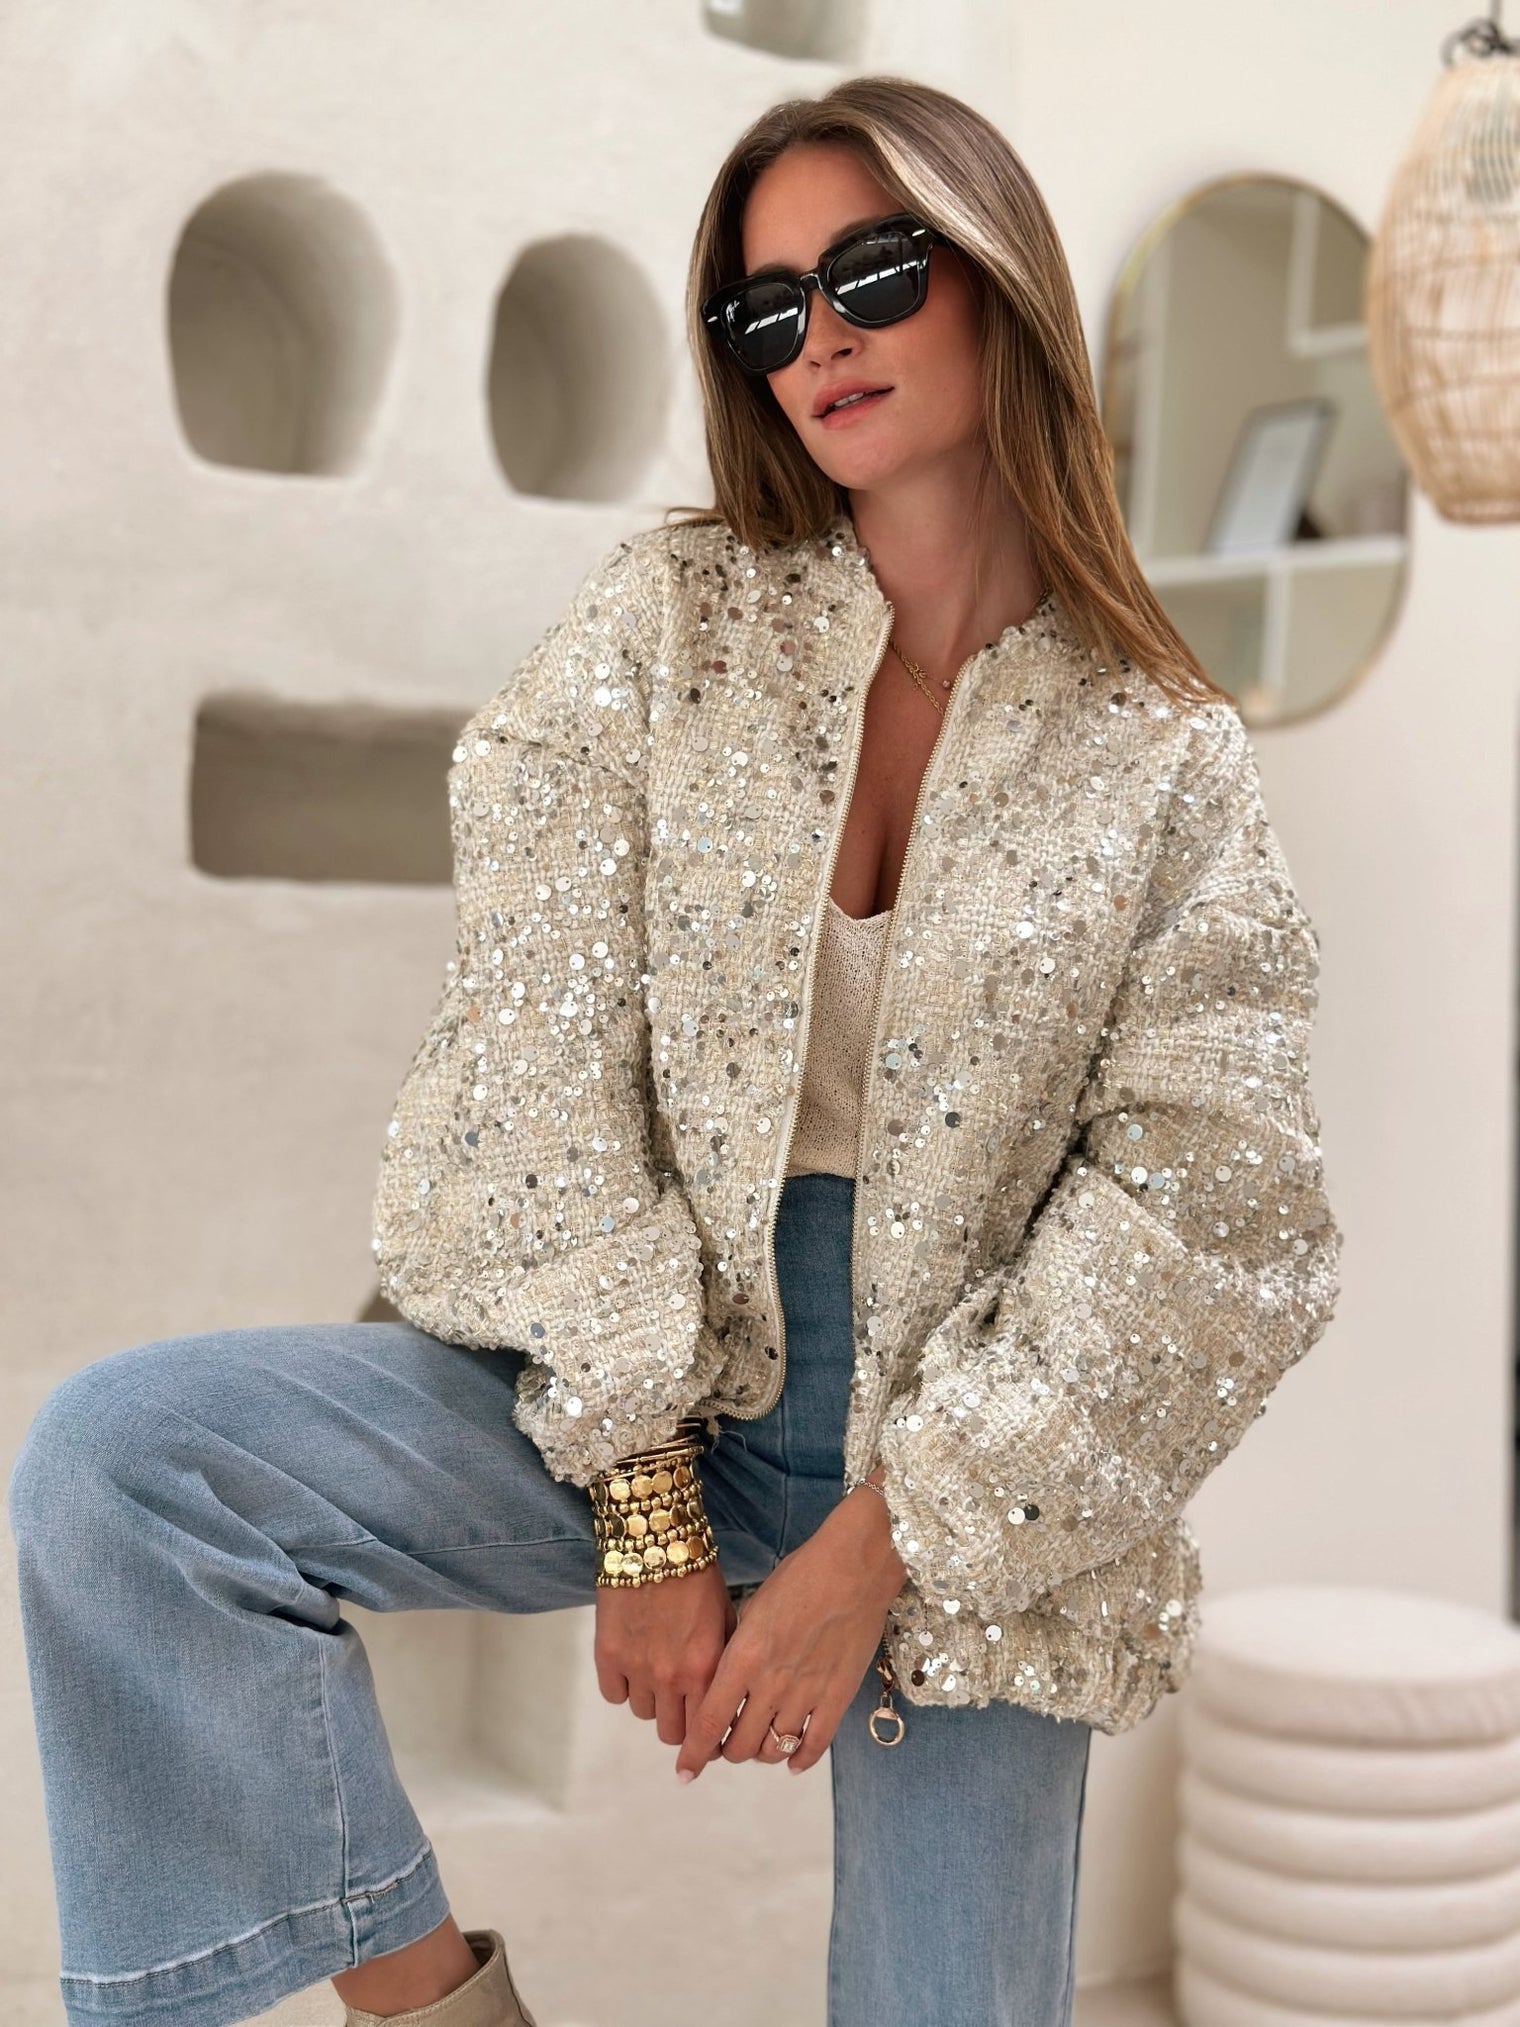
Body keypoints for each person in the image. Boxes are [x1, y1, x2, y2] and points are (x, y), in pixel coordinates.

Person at [7, 74, 1341, 2027]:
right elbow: (529, 1052)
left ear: (994, 280)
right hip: (651, 1373)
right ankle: (429, 2011)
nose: (819, 342)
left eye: (870, 274)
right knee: (126, 1471)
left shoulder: (1163, 757)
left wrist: (882, 1542)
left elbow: (1210, 1218)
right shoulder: (665, 631)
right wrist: (643, 1494)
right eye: (764, 308)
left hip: (979, 1467)